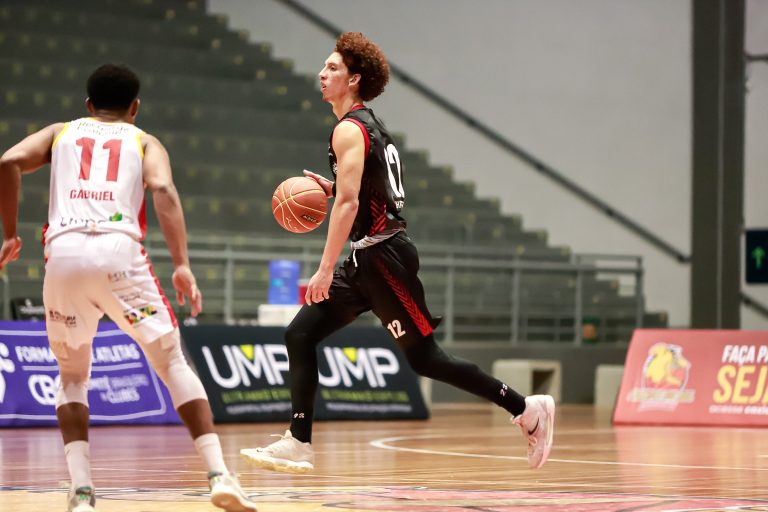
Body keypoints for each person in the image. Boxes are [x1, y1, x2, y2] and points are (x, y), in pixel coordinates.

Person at [239, 32, 555, 474]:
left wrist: (324, 268)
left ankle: (526, 408)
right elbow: (368, 189)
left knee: (426, 358)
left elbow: (350, 205)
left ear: (354, 79)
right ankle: (298, 441)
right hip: (366, 257)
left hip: (384, 258)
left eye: (332, 68)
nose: (322, 74)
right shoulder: (369, 125)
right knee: (300, 335)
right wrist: (335, 188)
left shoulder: (348, 129)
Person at [0, 64, 258, 512]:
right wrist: (182, 264)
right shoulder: (144, 141)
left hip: (63, 254)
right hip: (118, 253)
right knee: (171, 360)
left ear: (88, 104)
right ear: (135, 108)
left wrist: (9, 233)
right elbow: (163, 189)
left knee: (72, 376)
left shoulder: (61, 132)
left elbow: (8, 161)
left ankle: (82, 491)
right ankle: (219, 474)